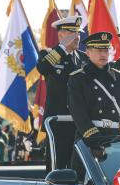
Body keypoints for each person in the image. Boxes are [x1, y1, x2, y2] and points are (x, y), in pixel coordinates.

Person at [68, 31, 120, 149]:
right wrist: (96, 140)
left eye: (106, 50)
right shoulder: (77, 78)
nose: (103, 54)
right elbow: (79, 114)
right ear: (88, 53)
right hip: (88, 140)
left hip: (115, 141)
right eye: (99, 50)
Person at [36, 15, 87, 169]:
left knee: (78, 169)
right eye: (72, 33)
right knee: (56, 169)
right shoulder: (49, 54)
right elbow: (42, 68)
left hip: (79, 123)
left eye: (78, 33)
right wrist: (62, 47)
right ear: (61, 35)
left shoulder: (84, 58)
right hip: (58, 124)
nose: (77, 37)